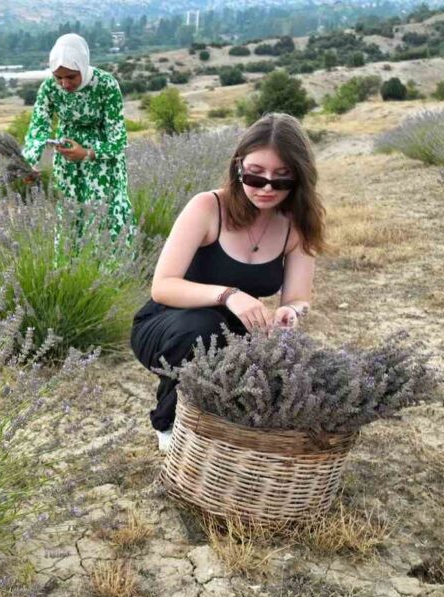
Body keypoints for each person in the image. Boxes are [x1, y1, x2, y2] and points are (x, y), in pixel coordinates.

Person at [130, 113, 324, 452]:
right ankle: (168, 424)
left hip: (239, 333)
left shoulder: (297, 224)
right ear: (238, 166)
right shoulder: (208, 207)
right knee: (204, 328)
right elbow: (163, 286)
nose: (266, 187)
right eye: (255, 174)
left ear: (299, 178)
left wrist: (291, 312)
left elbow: (298, 297)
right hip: (167, 324)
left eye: (282, 178)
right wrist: (229, 296)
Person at [22, 33, 134, 239]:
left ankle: (111, 270)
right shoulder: (49, 88)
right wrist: (29, 164)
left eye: (71, 77)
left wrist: (87, 153)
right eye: (59, 77)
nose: (64, 84)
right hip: (67, 162)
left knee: (104, 216)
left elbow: (118, 141)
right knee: (69, 216)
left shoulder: (106, 85)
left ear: (83, 66)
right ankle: (72, 270)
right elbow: (38, 129)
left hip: (103, 162)